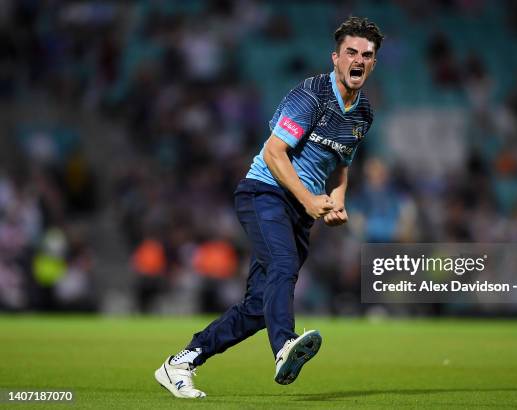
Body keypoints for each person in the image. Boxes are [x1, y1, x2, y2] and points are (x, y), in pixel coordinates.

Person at [154, 16, 384, 398]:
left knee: (259, 306)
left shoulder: (363, 114)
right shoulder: (310, 96)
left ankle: (181, 362)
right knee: (282, 265)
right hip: (265, 193)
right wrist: (310, 199)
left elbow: (342, 163)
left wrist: (337, 202)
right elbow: (273, 152)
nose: (358, 60)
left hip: (300, 211)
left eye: (367, 54)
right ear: (335, 57)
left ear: (373, 63)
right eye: (351, 52)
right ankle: (284, 348)